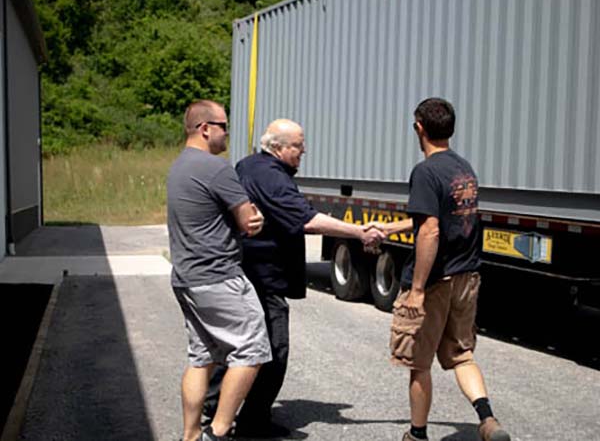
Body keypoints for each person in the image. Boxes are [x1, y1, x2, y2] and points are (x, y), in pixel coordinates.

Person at [203, 118, 385, 438]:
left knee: (239, 344)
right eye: (299, 146)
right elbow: (308, 221)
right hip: (263, 277)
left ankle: (216, 410)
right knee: (274, 350)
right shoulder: (272, 177)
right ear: (278, 147)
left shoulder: (249, 165)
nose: (304, 151)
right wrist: (359, 231)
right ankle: (250, 421)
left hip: (245, 272)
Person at [372, 98, 511, 441]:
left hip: (436, 281)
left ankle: (417, 435)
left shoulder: (426, 171)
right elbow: (433, 219)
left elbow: (430, 230)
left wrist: (417, 289)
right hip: (467, 277)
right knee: (462, 356)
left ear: (419, 127)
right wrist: (390, 229)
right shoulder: (464, 169)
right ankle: (488, 420)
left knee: (419, 365)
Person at [167, 100, 272, 441]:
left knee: (201, 357)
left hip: (187, 278)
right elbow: (249, 222)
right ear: (205, 128)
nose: (228, 132)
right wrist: (255, 219)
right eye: (223, 125)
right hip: (219, 277)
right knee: (252, 349)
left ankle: (191, 435)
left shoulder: (179, 166)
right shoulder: (216, 167)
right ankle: (220, 430)